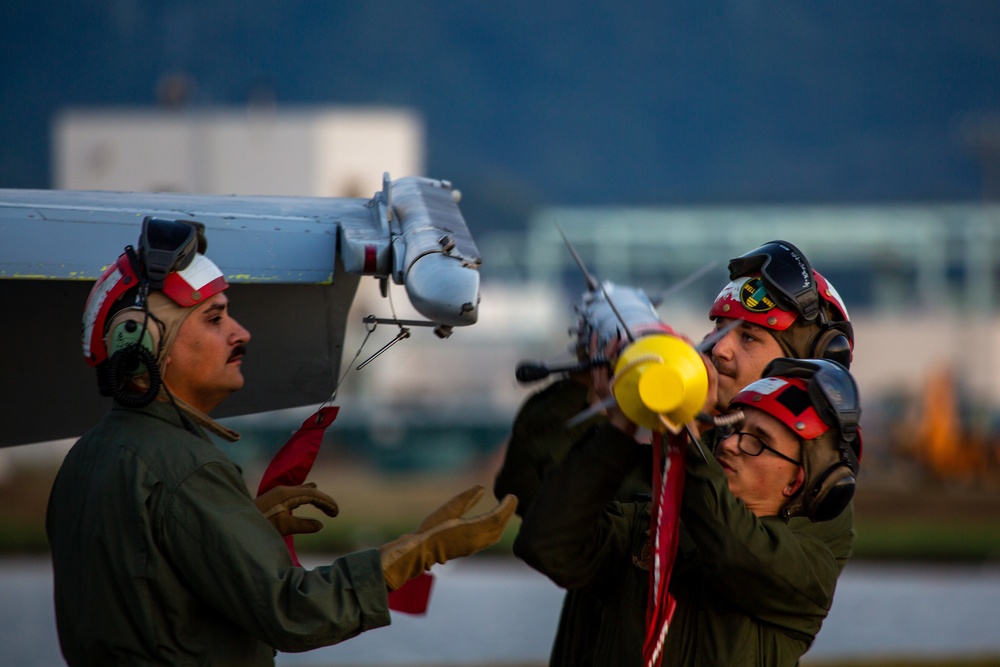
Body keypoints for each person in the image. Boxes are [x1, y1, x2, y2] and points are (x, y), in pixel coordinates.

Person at [46, 218, 515, 666]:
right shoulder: (186, 468)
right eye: (214, 319)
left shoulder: (86, 457)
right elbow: (293, 612)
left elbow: (153, 595)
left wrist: (243, 528)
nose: (241, 332)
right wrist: (416, 553)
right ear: (146, 346)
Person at [494, 239, 855, 666]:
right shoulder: (653, 445)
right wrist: (594, 384)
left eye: (750, 337)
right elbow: (531, 495)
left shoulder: (816, 508)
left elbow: (738, 551)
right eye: (718, 330)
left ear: (807, 364)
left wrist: (686, 436)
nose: (718, 348)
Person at [514, 356, 862, 666]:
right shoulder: (649, 525)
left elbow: (734, 548)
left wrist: (684, 436)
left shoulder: (808, 569)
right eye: (733, 428)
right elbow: (546, 543)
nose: (729, 444)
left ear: (795, 481)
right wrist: (619, 429)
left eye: (757, 441)